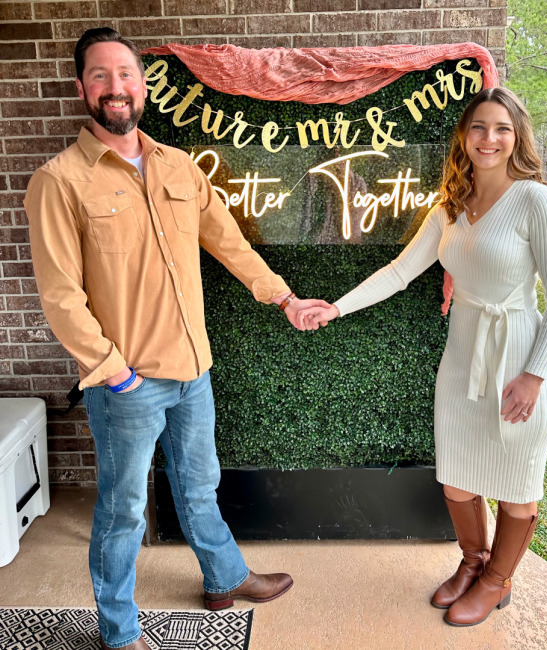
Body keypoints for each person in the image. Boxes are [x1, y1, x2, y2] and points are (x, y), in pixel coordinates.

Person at [24, 28, 329, 650]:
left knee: (197, 485)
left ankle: (224, 578)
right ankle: (117, 632)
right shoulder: (60, 181)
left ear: (143, 84)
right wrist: (113, 371)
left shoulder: (178, 166)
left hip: (194, 371)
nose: (116, 87)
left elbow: (228, 243)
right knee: (123, 511)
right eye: (101, 76)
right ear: (83, 88)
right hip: (128, 382)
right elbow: (60, 296)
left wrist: (285, 298)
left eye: (126, 74)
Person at [298, 87, 547, 627]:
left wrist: (533, 376)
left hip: (518, 353)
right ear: (464, 136)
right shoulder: (451, 204)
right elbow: (401, 272)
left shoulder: (535, 201)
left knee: (518, 481)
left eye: (501, 128)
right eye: (478, 128)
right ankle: (473, 563)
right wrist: (337, 308)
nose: (489, 139)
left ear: (516, 135)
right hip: (461, 357)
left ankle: (498, 581)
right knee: (457, 475)